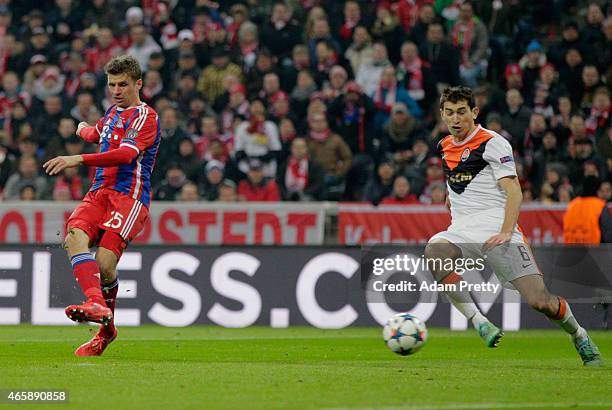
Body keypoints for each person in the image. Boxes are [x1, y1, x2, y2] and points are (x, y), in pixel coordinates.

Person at [424, 86, 602, 366]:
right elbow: (459, 174)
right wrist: (451, 195)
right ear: (442, 115)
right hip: (462, 231)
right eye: (450, 113)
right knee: (434, 251)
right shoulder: (444, 145)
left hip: (499, 232)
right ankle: (480, 322)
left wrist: (507, 231)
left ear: (474, 112)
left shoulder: (493, 142)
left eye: (461, 112)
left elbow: (514, 191)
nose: (456, 119)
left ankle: (579, 335)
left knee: (540, 301)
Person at [42, 55, 161, 357]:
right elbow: (98, 134)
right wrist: (82, 129)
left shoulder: (146, 117)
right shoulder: (111, 114)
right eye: (112, 85)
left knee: (106, 264)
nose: (117, 90)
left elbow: (124, 154)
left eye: (123, 84)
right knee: (73, 237)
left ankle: (106, 330)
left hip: (128, 196)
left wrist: (77, 158)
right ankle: (96, 306)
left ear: (138, 83)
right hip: (99, 192)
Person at [563, 176, 612, 244]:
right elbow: (609, 235)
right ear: (597, 190)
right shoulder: (599, 205)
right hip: (593, 251)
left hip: (571, 250)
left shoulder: (572, 204)